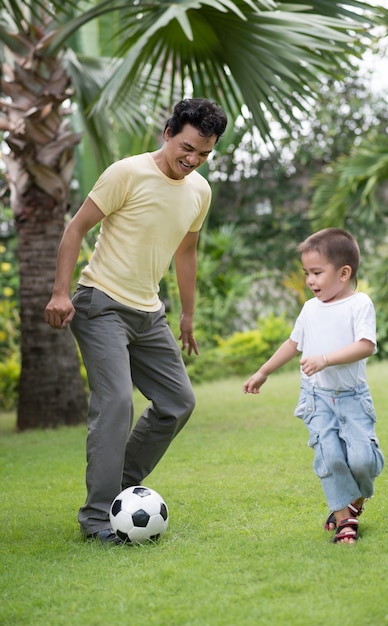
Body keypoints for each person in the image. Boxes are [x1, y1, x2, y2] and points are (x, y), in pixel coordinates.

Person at [44, 98, 228, 544]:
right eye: (187, 147)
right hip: (99, 303)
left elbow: (186, 252)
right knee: (116, 404)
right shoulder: (126, 173)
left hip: (150, 313)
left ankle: (120, 487)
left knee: (178, 402)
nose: (193, 159)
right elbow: (76, 229)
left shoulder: (199, 191)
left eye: (204, 153)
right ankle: (95, 519)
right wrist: (60, 292)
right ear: (167, 133)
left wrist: (186, 315)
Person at [243, 228, 384, 544]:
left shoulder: (359, 304)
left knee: (362, 460)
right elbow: (294, 343)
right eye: (307, 273)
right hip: (317, 398)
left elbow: (366, 345)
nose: (310, 280)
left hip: (352, 397)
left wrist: (325, 359)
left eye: (317, 273)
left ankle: (354, 500)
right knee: (331, 457)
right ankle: (344, 520)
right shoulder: (310, 308)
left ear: (344, 273)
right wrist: (263, 372)